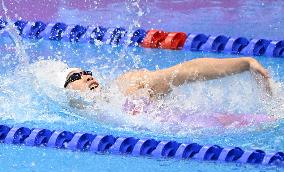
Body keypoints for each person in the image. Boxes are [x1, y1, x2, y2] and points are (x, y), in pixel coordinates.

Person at [63, 57, 271, 98]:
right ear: (66, 89)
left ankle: (245, 63)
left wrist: (244, 64)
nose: (85, 76)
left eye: (86, 72)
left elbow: (182, 72)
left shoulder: (124, 85)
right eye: (75, 77)